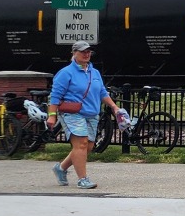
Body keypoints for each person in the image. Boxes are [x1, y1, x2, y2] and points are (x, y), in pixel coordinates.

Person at [47, 40, 126, 190]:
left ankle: (61, 168)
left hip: (92, 114)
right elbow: (55, 96)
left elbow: (102, 92)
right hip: (72, 113)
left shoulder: (94, 72)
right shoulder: (65, 73)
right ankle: (82, 179)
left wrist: (114, 107)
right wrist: (52, 115)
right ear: (74, 53)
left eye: (88, 51)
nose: (86, 54)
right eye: (83, 51)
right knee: (81, 144)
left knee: (88, 146)